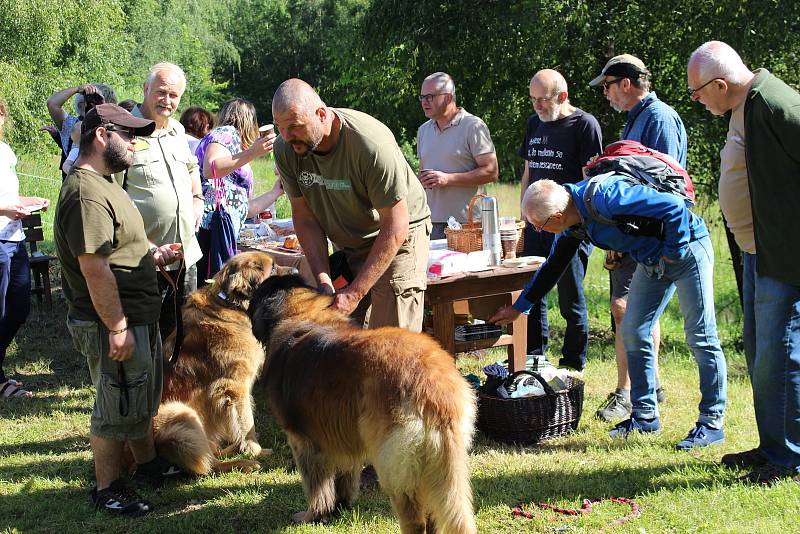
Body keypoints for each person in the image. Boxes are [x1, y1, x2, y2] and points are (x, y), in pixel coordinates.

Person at [489, 178, 727, 450]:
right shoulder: (571, 224)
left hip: (687, 250)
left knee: (700, 336)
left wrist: (674, 252)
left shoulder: (605, 198)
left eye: (538, 226)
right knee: (633, 331)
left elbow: (673, 208)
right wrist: (520, 308)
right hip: (651, 262)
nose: (536, 230)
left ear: (556, 216)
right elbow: (554, 266)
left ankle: (711, 423)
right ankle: (645, 416)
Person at [54, 104, 184, 516]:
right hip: (110, 320)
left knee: (139, 398)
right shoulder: (86, 193)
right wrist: (116, 327)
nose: (134, 143)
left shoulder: (107, 183)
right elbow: (94, 270)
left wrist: (153, 257)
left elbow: (120, 246)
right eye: (127, 135)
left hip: (135, 314)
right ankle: (107, 487)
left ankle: (147, 466)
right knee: (115, 406)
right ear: (99, 136)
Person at [688, 41, 800, 484]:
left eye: (697, 92)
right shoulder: (746, 106)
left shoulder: (776, 103)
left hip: (784, 255)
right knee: (760, 355)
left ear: (720, 84)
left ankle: (789, 458)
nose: (696, 100)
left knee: (779, 357)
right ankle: (773, 445)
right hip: (758, 251)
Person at [272, 78, 431, 332]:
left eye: (295, 126)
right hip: (350, 243)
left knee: (390, 346)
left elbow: (396, 225)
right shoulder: (285, 149)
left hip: (398, 237)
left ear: (321, 114)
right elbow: (304, 218)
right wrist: (324, 280)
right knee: (345, 342)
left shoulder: (370, 144)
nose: (288, 137)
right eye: (281, 128)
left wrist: (355, 293)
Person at [589, 54, 688, 420]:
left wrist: (628, 238)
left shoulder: (658, 118)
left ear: (626, 84)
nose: (607, 95)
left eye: (608, 87)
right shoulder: (638, 118)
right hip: (630, 234)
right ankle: (653, 387)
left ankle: (628, 393)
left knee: (627, 309)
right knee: (631, 309)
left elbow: (664, 184)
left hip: (646, 235)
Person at [518, 69, 602, 371]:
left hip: (568, 224)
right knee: (533, 288)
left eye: (543, 100)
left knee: (570, 298)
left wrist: (583, 226)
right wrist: (524, 214)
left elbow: (591, 180)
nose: (537, 106)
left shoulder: (584, 125)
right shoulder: (533, 124)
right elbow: (529, 170)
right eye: (532, 100)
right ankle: (534, 354)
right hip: (535, 221)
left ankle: (572, 363)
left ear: (562, 96)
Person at [125, 63, 203, 342]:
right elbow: (112, 199)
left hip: (186, 255)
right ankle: (147, 385)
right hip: (145, 258)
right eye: (161, 92)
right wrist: (147, 248)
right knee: (145, 338)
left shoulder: (178, 132)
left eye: (174, 96)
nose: (167, 101)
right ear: (145, 89)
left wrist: (197, 199)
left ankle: (173, 385)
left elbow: (193, 169)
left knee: (182, 333)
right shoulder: (124, 132)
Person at [194, 98, 284, 279]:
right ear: (248, 121)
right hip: (209, 232)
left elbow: (245, 209)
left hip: (221, 232)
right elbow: (210, 168)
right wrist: (253, 152)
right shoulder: (226, 132)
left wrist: (276, 192)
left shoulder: (235, 152)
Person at [0, 98, 50, 399]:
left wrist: (27, 202)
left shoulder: (5, 151)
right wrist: (6, 210)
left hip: (14, 238)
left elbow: (8, 195)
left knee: (18, 309)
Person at [416, 72, 497, 239]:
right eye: (422, 97)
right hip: (431, 223)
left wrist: (448, 179)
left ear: (448, 98)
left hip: (467, 224)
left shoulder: (473, 126)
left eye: (430, 97)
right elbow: (423, 173)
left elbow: (491, 171)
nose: (424, 101)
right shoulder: (423, 130)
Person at [46, 83, 118, 179]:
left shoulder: (114, 128)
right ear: (81, 105)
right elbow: (52, 103)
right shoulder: (73, 125)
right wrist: (77, 88)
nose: (94, 106)